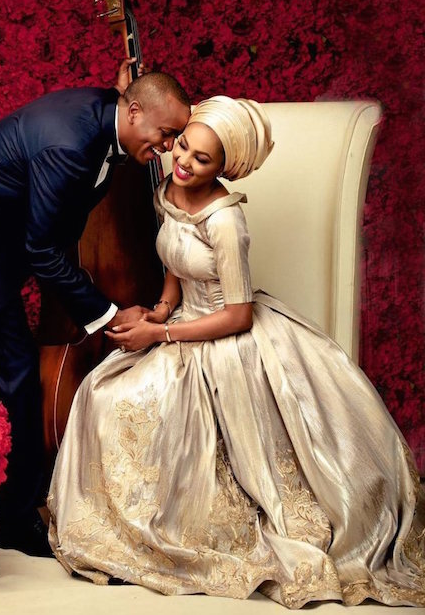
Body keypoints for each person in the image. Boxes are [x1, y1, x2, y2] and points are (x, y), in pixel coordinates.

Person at [47, 96, 425, 606]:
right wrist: (162, 309)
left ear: (224, 167)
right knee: (103, 392)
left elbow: (238, 315)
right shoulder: (169, 188)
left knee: (155, 412)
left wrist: (160, 336)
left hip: (228, 337)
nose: (183, 161)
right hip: (182, 322)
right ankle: (120, 526)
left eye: (201, 159)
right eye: (183, 145)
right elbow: (175, 262)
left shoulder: (226, 222)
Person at [0, 60, 191, 557]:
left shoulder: (110, 117)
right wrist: (111, 315)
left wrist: (128, 98)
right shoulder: (71, 145)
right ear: (134, 112)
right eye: (165, 134)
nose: (167, 147)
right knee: (12, 375)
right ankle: (11, 519)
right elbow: (44, 250)